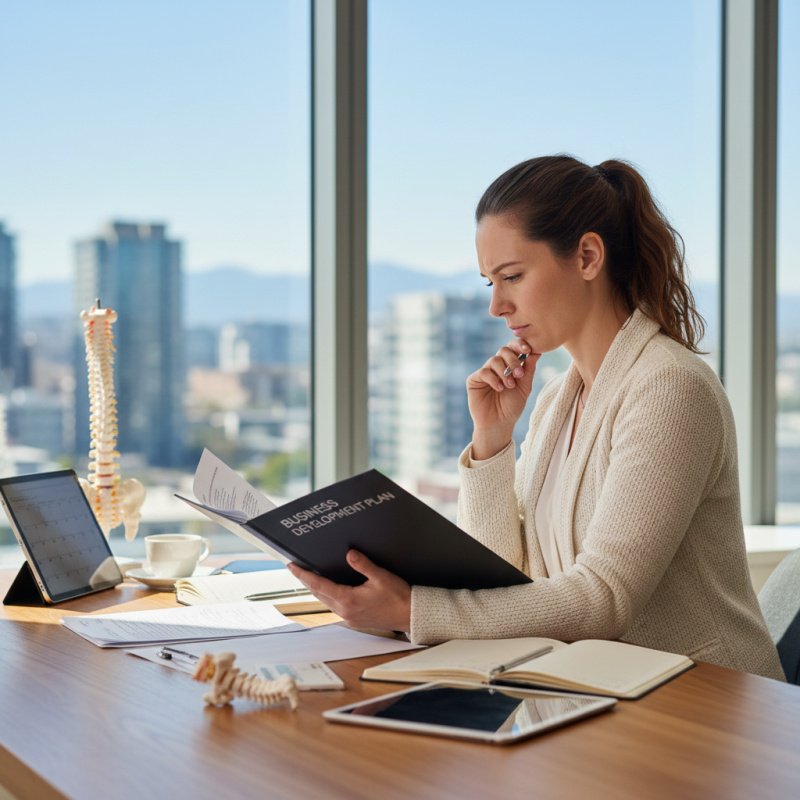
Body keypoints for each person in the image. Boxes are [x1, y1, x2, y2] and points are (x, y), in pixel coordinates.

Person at [288, 154, 785, 680]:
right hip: (603, 693)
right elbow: (508, 579)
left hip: (711, 705)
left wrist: (414, 611)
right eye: (489, 283)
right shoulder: (556, 400)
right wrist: (492, 441)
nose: (497, 306)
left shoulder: (669, 388)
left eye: (513, 276)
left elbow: (603, 599)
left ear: (588, 256)